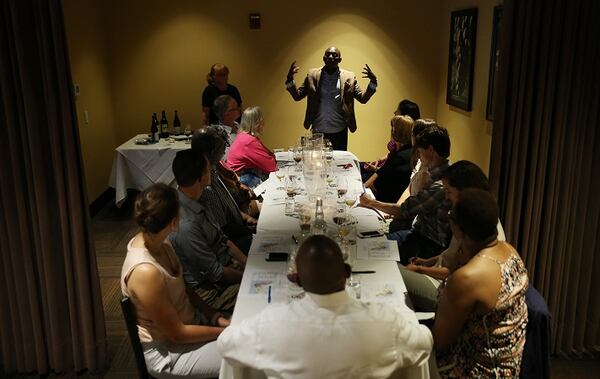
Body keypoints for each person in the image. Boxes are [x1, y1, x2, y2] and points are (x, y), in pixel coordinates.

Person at [217, 235, 433, 379]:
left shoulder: (270, 324)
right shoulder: (386, 322)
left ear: (296, 280)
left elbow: (226, 345)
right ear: (347, 273)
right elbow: (424, 342)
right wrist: (403, 312)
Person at [120, 183, 229, 378]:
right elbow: (176, 334)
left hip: (191, 325)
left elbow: (182, 287)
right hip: (170, 353)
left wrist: (213, 315)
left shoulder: (162, 242)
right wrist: (222, 332)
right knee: (248, 356)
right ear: (174, 222)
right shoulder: (145, 272)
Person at [433, 189, 528, 378]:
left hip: (477, 371)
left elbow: (440, 342)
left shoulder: (468, 277)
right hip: (509, 368)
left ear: (457, 228)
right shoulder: (510, 251)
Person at [399, 161, 506, 312]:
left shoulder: (476, 224)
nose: (446, 197)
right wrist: (427, 262)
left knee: (394, 272)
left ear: (463, 190)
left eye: (449, 191)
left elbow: (456, 273)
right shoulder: (469, 213)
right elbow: (451, 255)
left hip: (447, 289)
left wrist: (420, 270)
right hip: (442, 279)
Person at [360, 124, 452, 264]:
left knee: (368, 251)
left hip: (429, 244)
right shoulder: (435, 173)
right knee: (369, 243)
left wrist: (370, 203)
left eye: (420, 152)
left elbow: (405, 211)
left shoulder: (441, 184)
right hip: (418, 234)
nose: (419, 156)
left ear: (431, 150)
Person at [169, 149, 246, 311]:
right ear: (200, 177)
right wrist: (248, 277)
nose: (211, 170)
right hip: (211, 292)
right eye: (207, 168)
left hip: (227, 268)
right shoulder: (186, 224)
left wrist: (249, 265)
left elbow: (224, 240)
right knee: (270, 293)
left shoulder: (199, 197)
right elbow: (216, 273)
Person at [285, 46, 378, 151]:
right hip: (318, 131)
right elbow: (297, 96)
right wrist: (290, 79)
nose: (330, 57)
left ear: (339, 60)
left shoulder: (349, 76)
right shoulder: (312, 75)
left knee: (339, 164)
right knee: (318, 163)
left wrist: (373, 82)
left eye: (334, 55)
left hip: (340, 131)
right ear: (323, 58)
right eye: (328, 54)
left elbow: (362, 98)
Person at [192, 128, 254, 254]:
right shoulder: (205, 185)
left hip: (237, 229)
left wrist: (246, 218)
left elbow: (226, 207)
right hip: (229, 244)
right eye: (222, 147)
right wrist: (254, 230)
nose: (225, 150)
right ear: (211, 152)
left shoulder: (214, 170)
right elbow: (225, 230)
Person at [364, 115, 413, 203]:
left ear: (395, 133)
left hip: (386, 201)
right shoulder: (410, 151)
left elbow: (375, 186)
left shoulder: (399, 157)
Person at [226, 106, 277, 188]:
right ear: (258, 122)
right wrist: (272, 158)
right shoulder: (249, 141)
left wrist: (271, 157)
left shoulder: (243, 135)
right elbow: (272, 166)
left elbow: (268, 154)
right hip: (243, 179)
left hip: (238, 176)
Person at [209, 94, 241, 160]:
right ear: (227, 113)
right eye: (236, 108)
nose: (239, 109)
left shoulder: (237, 125)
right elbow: (225, 159)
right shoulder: (217, 135)